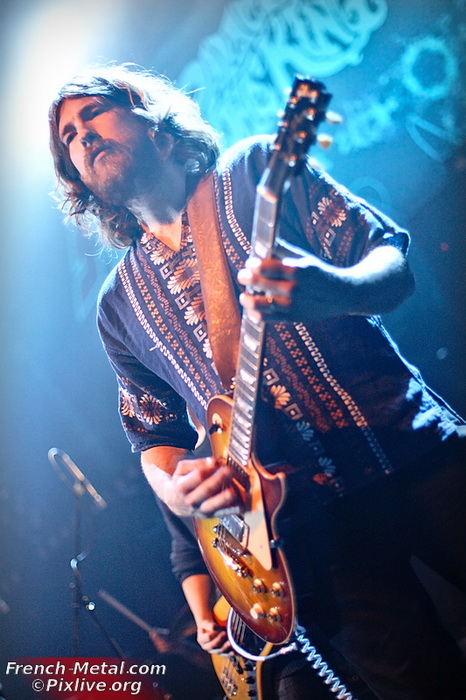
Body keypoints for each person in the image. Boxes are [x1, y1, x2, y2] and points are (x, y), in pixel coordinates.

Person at [49, 64, 466, 699]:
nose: (82, 136)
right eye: (69, 137)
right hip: (310, 536)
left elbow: (390, 263)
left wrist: (336, 290)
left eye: (94, 115)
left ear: (156, 125)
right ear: (78, 180)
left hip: (415, 452)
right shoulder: (117, 306)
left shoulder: (252, 172)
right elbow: (153, 438)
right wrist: (182, 491)